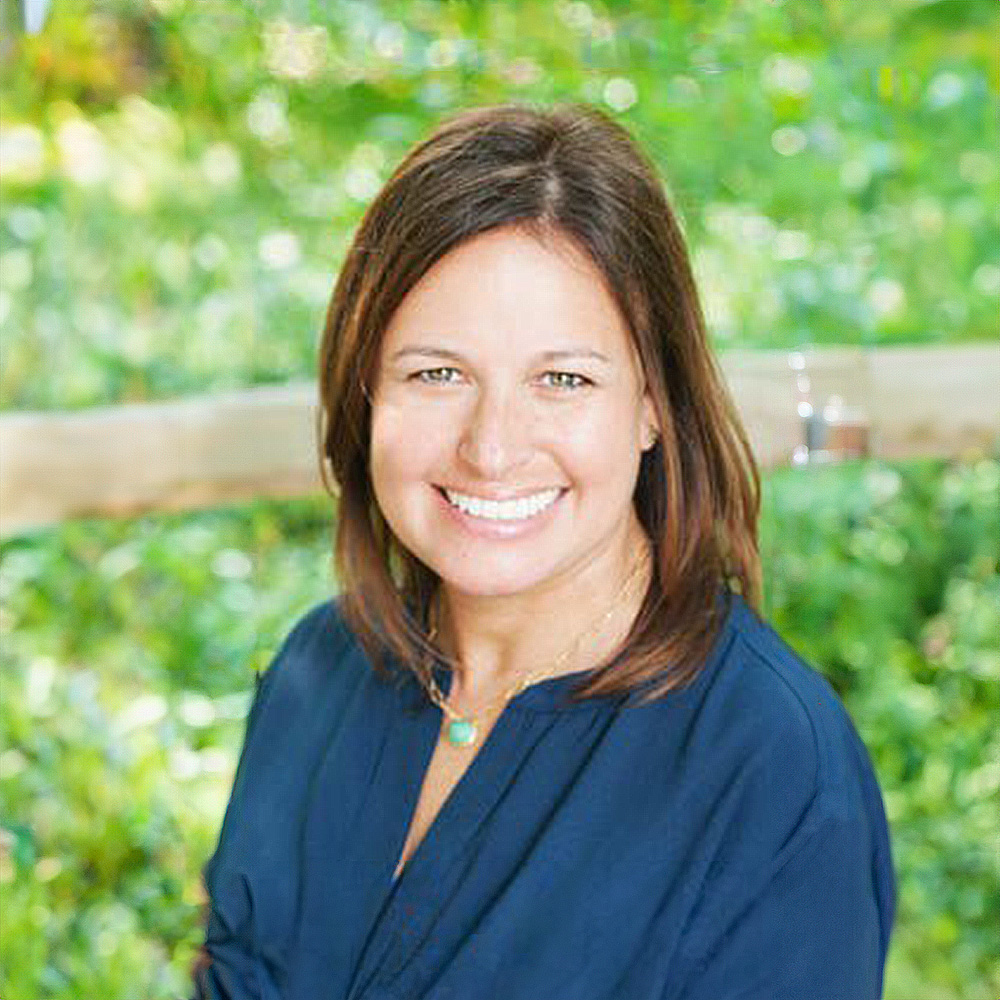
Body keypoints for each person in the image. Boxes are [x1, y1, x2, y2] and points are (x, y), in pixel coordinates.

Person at [192, 103, 895, 1000]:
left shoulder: (773, 772)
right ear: (367, 388)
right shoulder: (320, 669)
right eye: (436, 373)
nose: (491, 447)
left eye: (562, 379)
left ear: (653, 403)